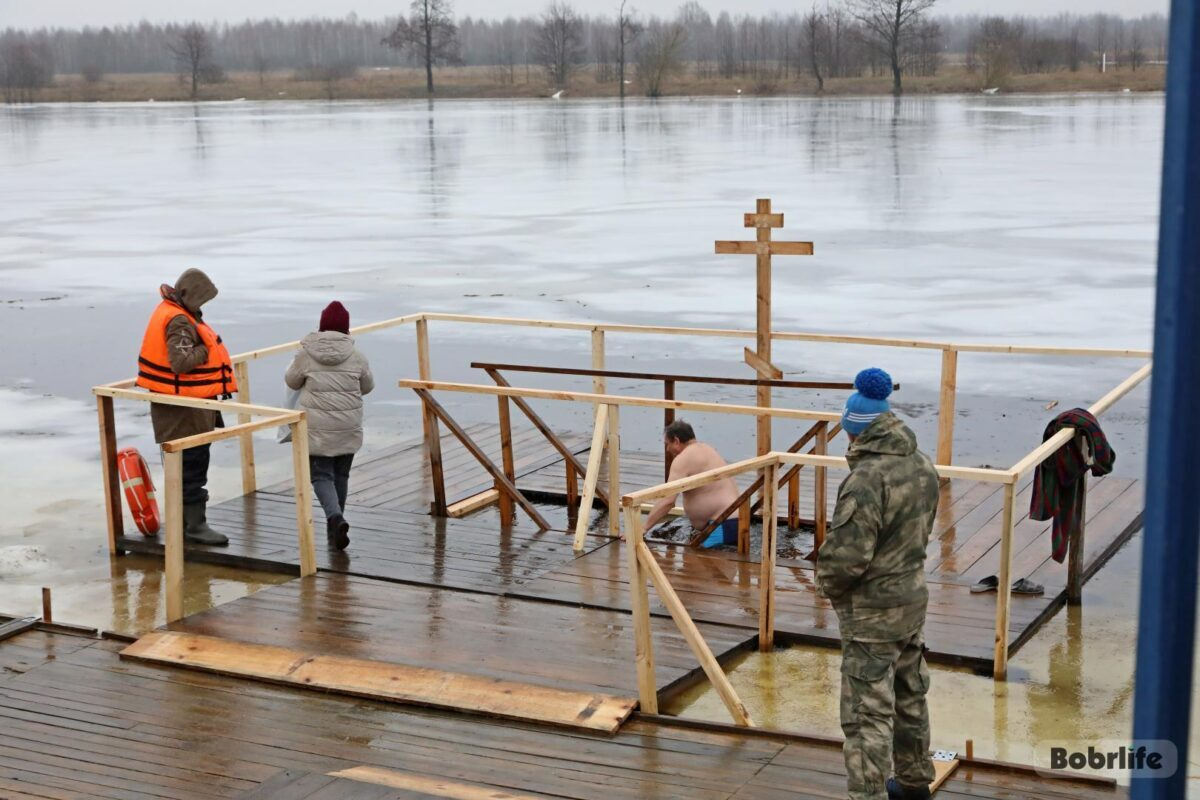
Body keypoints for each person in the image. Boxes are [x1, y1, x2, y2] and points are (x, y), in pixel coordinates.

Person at [816, 368, 940, 800]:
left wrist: (827, 586)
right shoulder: (922, 463)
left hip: (872, 615)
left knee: (866, 714)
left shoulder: (867, 479)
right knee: (910, 695)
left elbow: (848, 557)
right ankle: (913, 781)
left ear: (856, 431)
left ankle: (867, 794)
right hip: (912, 600)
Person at [136, 268, 236, 546]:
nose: (203, 306)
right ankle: (195, 526)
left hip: (179, 408)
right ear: (190, 296)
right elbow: (180, 363)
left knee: (184, 469)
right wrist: (207, 349)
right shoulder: (179, 321)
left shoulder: (171, 311)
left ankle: (183, 523)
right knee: (193, 468)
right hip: (183, 412)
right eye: (202, 300)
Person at [285, 301, 374, 551]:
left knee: (321, 476)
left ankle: (335, 518)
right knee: (341, 475)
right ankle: (335, 527)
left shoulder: (306, 354)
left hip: (317, 429)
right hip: (348, 426)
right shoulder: (357, 356)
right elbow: (368, 386)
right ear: (347, 328)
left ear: (322, 326)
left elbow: (292, 382)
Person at [642, 420, 741, 547]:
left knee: (698, 558)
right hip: (736, 520)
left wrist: (643, 528)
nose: (667, 449)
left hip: (720, 525)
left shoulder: (683, 459)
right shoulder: (707, 449)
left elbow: (668, 501)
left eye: (667, 444)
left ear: (676, 441)